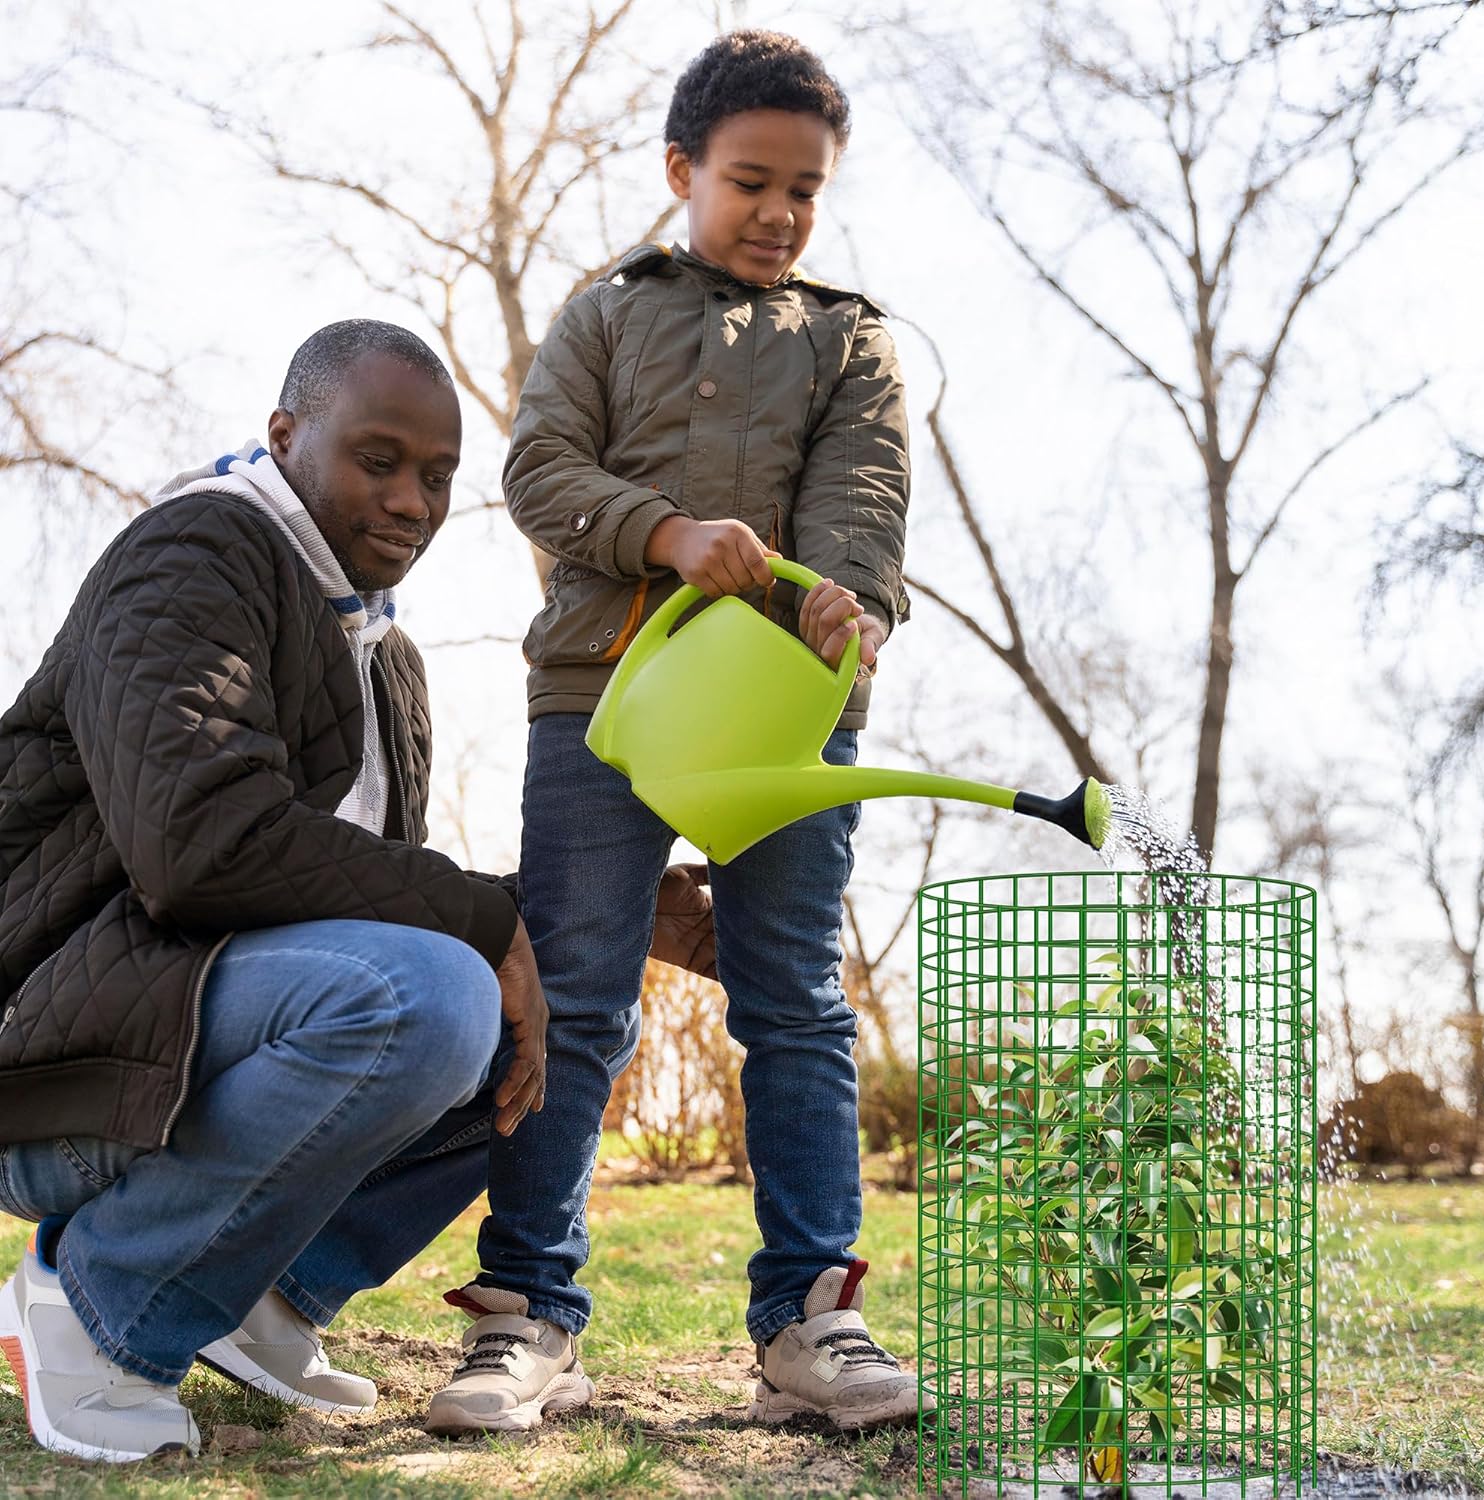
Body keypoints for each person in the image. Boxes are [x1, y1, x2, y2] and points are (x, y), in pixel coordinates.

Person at [0, 319, 711, 1464]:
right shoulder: (194, 554)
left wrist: (572, 923)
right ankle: (96, 1303)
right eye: (378, 460)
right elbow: (201, 847)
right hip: (56, 1065)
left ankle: (267, 1295)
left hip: (182, 1031)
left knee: (570, 992)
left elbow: (349, 897)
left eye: (437, 477)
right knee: (427, 997)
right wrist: (484, 920)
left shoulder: (384, 656)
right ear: (287, 435)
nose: (412, 501)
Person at [426, 30, 917, 1438]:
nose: (779, 212)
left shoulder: (852, 341)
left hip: (783, 717)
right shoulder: (603, 314)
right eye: (750, 181)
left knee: (796, 1005)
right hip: (602, 696)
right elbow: (538, 468)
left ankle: (811, 1321)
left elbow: (863, 506)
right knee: (576, 996)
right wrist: (664, 532)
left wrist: (841, 603)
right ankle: (528, 1316)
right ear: (681, 170)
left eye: (805, 189)